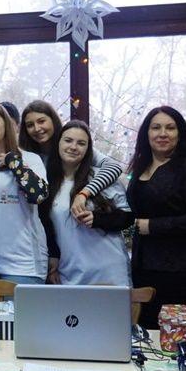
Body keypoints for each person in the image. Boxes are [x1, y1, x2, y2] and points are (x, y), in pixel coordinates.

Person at [127, 106, 186, 329]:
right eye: (156, 127)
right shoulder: (140, 165)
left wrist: (152, 226)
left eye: (170, 128)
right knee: (147, 334)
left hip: (179, 269)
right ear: (146, 133)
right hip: (142, 266)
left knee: (178, 336)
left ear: (179, 133)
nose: (162, 133)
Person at [0, 102, 49, 284]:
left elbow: (39, 195)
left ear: (5, 123)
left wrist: (13, 162)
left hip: (23, 266)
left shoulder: (30, 159)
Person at [42, 121, 132, 286]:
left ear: (88, 149)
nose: (73, 147)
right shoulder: (47, 182)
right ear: (58, 143)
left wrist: (97, 219)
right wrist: (53, 258)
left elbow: (127, 217)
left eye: (81, 143)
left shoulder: (102, 177)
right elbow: (46, 227)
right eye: (68, 140)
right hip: (69, 271)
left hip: (109, 271)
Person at [19, 100, 122, 217]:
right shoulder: (27, 156)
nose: (37, 128)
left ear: (53, 121)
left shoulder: (70, 147)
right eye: (30, 125)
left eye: (41, 121)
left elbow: (114, 167)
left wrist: (85, 193)